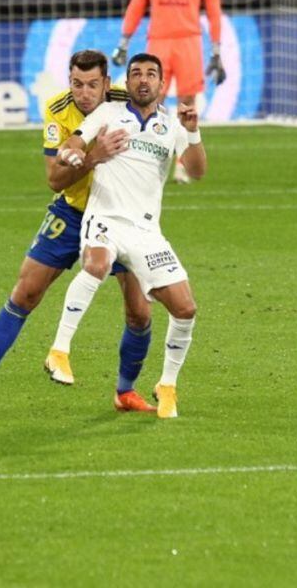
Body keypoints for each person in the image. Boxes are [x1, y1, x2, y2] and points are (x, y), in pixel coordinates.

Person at [0, 50, 156, 417]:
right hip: (71, 214)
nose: (84, 93)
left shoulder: (127, 102)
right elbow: (55, 179)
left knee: (138, 313)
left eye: (92, 85)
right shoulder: (58, 110)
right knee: (25, 292)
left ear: (107, 83)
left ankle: (125, 392)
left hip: (119, 218)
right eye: (77, 84)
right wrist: (94, 157)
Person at [54, 53, 207, 419]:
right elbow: (72, 144)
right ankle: (59, 350)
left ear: (162, 84)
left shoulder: (170, 126)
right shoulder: (108, 113)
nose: (143, 79)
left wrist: (192, 131)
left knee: (185, 308)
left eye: (151, 74)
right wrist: (72, 155)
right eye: (136, 73)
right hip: (105, 218)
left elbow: (197, 171)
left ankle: (167, 385)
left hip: (145, 232)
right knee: (96, 264)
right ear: (127, 81)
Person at [112, 0, 224, 184]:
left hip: (189, 41)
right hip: (159, 41)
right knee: (152, 102)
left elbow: (213, 10)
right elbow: (136, 5)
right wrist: (124, 42)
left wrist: (216, 50)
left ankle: (183, 164)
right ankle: (151, 158)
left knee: (188, 104)